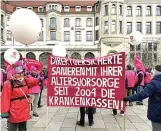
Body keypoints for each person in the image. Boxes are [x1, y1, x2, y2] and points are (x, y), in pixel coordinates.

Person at [1, 66, 40, 131]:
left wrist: (40, 79)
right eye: (18, 73)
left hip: (24, 108)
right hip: (14, 110)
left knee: (23, 128)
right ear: (13, 74)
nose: (21, 74)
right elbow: (5, 98)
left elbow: (32, 82)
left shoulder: (25, 80)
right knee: (12, 128)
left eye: (22, 72)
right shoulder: (8, 83)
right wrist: (4, 112)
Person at [123, 65, 161, 131]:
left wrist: (127, 98)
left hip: (158, 114)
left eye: (154, 70)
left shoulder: (155, 83)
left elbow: (142, 94)